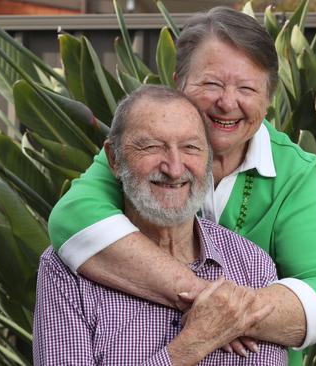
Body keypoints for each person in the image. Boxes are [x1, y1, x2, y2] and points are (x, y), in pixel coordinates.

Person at [48, 7, 316, 364]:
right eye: (211, 84)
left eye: (247, 88)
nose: (227, 102)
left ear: (268, 99)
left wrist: (234, 313)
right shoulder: (142, 152)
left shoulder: (292, 171)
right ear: (179, 83)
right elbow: (72, 219)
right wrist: (209, 300)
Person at [34, 85, 287, 365]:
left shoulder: (252, 266)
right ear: (114, 160)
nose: (175, 168)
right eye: (152, 146)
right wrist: (192, 345)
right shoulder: (64, 271)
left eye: (191, 148)